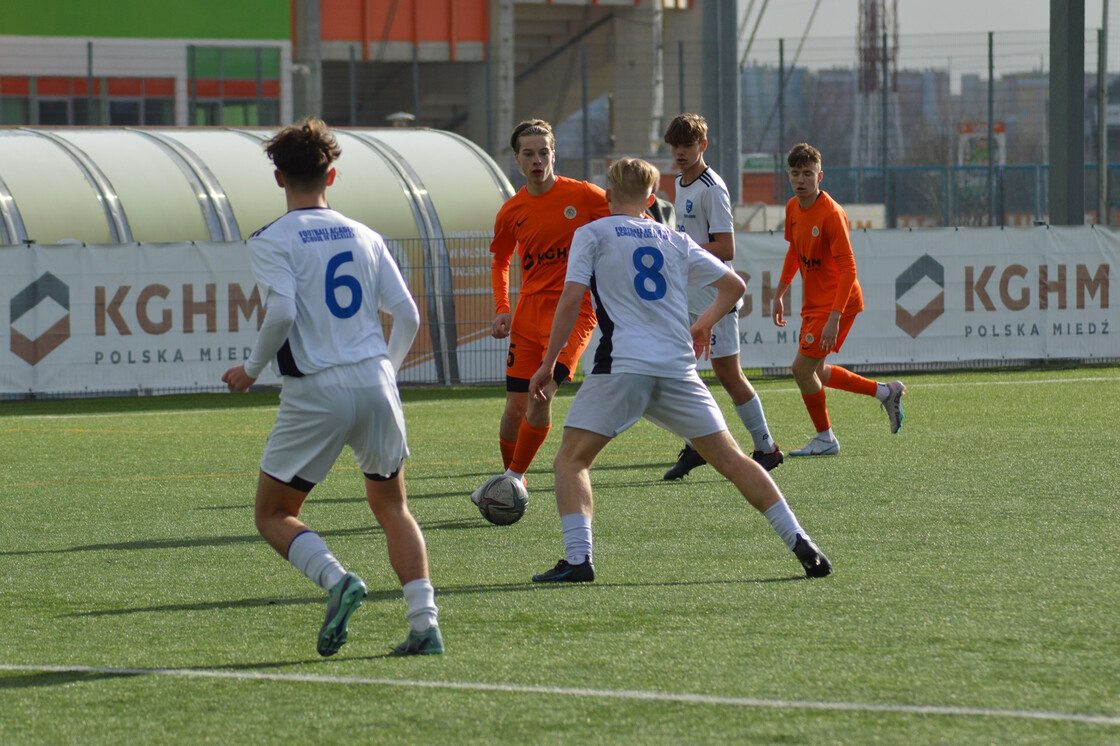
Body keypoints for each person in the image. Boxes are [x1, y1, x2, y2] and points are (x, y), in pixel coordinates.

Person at [527, 157, 831, 584]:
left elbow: (572, 299)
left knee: (571, 461)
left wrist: (548, 363)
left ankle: (579, 559)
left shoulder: (591, 233)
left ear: (608, 196)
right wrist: (704, 323)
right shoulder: (674, 239)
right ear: (652, 200)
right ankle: (801, 542)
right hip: (676, 368)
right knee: (733, 459)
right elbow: (735, 286)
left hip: (622, 366)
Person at [221, 117, 443, 656]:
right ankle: (425, 626)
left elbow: (280, 312)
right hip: (375, 381)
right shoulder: (365, 235)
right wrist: (386, 369)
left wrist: (250, 369)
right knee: (393, 507)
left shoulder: (272, 239)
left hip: (317, 389)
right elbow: (408, 315)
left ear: (278, 179)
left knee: (273, 513)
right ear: (332, 175)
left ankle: (336, 579)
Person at [480, 119, 610, 495]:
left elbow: (629, 217)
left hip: (575, 310)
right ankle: (510, 480)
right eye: (529, 154)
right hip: (527, 316)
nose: (537, 160)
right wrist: (503, 307)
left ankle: (514, 479)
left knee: (542, 393)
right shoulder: (512, 210)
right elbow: (500, 260)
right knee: (514, 411)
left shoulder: (585, 195)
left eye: (544, 152)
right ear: (517, 159)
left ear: (554, 154)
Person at [661, 113, 782, 481]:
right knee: (679, 372)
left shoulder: (712, 187)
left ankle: (766, 448)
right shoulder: (681, 182)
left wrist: (683, 248)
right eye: (676, 145)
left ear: (703, 145)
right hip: (689, 296)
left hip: (716, 297)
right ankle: (696, 446)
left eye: (688, 144)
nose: (681, 152)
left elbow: (726, 247)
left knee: (728, 375)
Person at [773, 142, 905, 456]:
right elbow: (795, 250)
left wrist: (834, 317)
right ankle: (885, 392)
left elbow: (848, 268)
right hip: (816, 304)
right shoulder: (793, 207)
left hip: (836, 303)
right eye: (795, 173)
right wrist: (780, 292)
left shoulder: (831, 214)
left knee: (801, 370)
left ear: (821, 176)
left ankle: (825, 439)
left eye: (808, 173)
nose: (801, 179)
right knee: (815, 372)